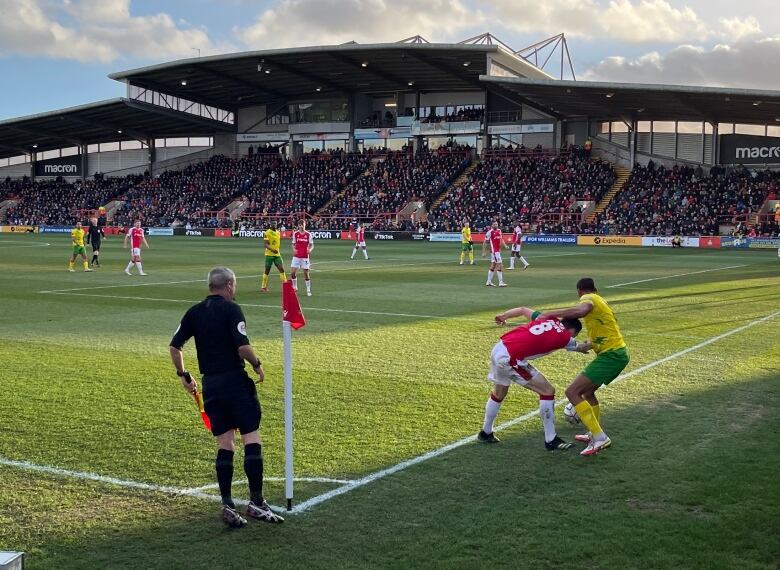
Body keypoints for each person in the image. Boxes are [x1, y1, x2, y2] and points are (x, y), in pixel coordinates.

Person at [169, 267, 283, 528]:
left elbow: (175, 347)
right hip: (234, 381)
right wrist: (257, 364)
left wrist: (184, 375)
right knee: (251, 435)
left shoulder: (194, 312)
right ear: (229, 285)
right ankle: (256, 502)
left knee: (225, 442)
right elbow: (243, 347)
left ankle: (228, 504)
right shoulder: (232, 309)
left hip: (211, 385)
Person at [539, 278, 630, 456]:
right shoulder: (601, 303)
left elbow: (582, 310)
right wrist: (585, 345)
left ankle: (600, 437)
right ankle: (593, 433)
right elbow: (601, 332)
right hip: (616, 353)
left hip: (612, 356)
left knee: (572, 392)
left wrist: (550, 313)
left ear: (580, 291)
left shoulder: (589, 299)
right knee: (587, 393)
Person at [482, 306, 591, 449]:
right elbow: (582, 347)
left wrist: (503, 316)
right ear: (572, 331)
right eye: (574, 335)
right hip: (510, 358)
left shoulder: (547, 318)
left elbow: (522, 309)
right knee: (547, 391)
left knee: (499, 392)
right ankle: (551, 440)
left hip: (500, 347)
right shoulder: (565, 337)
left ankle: (486, 432)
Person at [261, 221, 287, 292]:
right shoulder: (267, 232)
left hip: (277, 254)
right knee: (267, 271)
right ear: (270, 224)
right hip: (269, 255)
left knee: (281, 269)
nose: (274, 225)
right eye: (272, 224)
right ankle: (263, 287)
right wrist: (273, 250)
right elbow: (265, 245)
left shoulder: (278, 232)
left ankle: (285, 286)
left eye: (275, 223)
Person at [290, 219, 313, 297]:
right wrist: (294, 249)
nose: (301, 226)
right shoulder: (295, 234)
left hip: (305, 257)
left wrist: (310, 249)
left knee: (306, 274)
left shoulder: (308, 234)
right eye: (300, 225)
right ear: (298, 225)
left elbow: (312, 244)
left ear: (305, 224)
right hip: (296, 256)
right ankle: (295, 287)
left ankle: (308, 290)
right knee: (292, 273)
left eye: (302, 224)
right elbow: (293, 244)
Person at [482, 221, 508, 287]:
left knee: (493, 265)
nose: (495, 225)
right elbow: (485, 242)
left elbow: (501, 239)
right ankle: (500, 282)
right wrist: (484, 252)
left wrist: (505, 245)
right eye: (494, 224)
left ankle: (488, 282)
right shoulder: (489, 232)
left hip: (497, 251)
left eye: (496, 224)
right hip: (495, 252)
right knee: (500, 265)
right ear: (492, 225)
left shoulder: (499, 231)